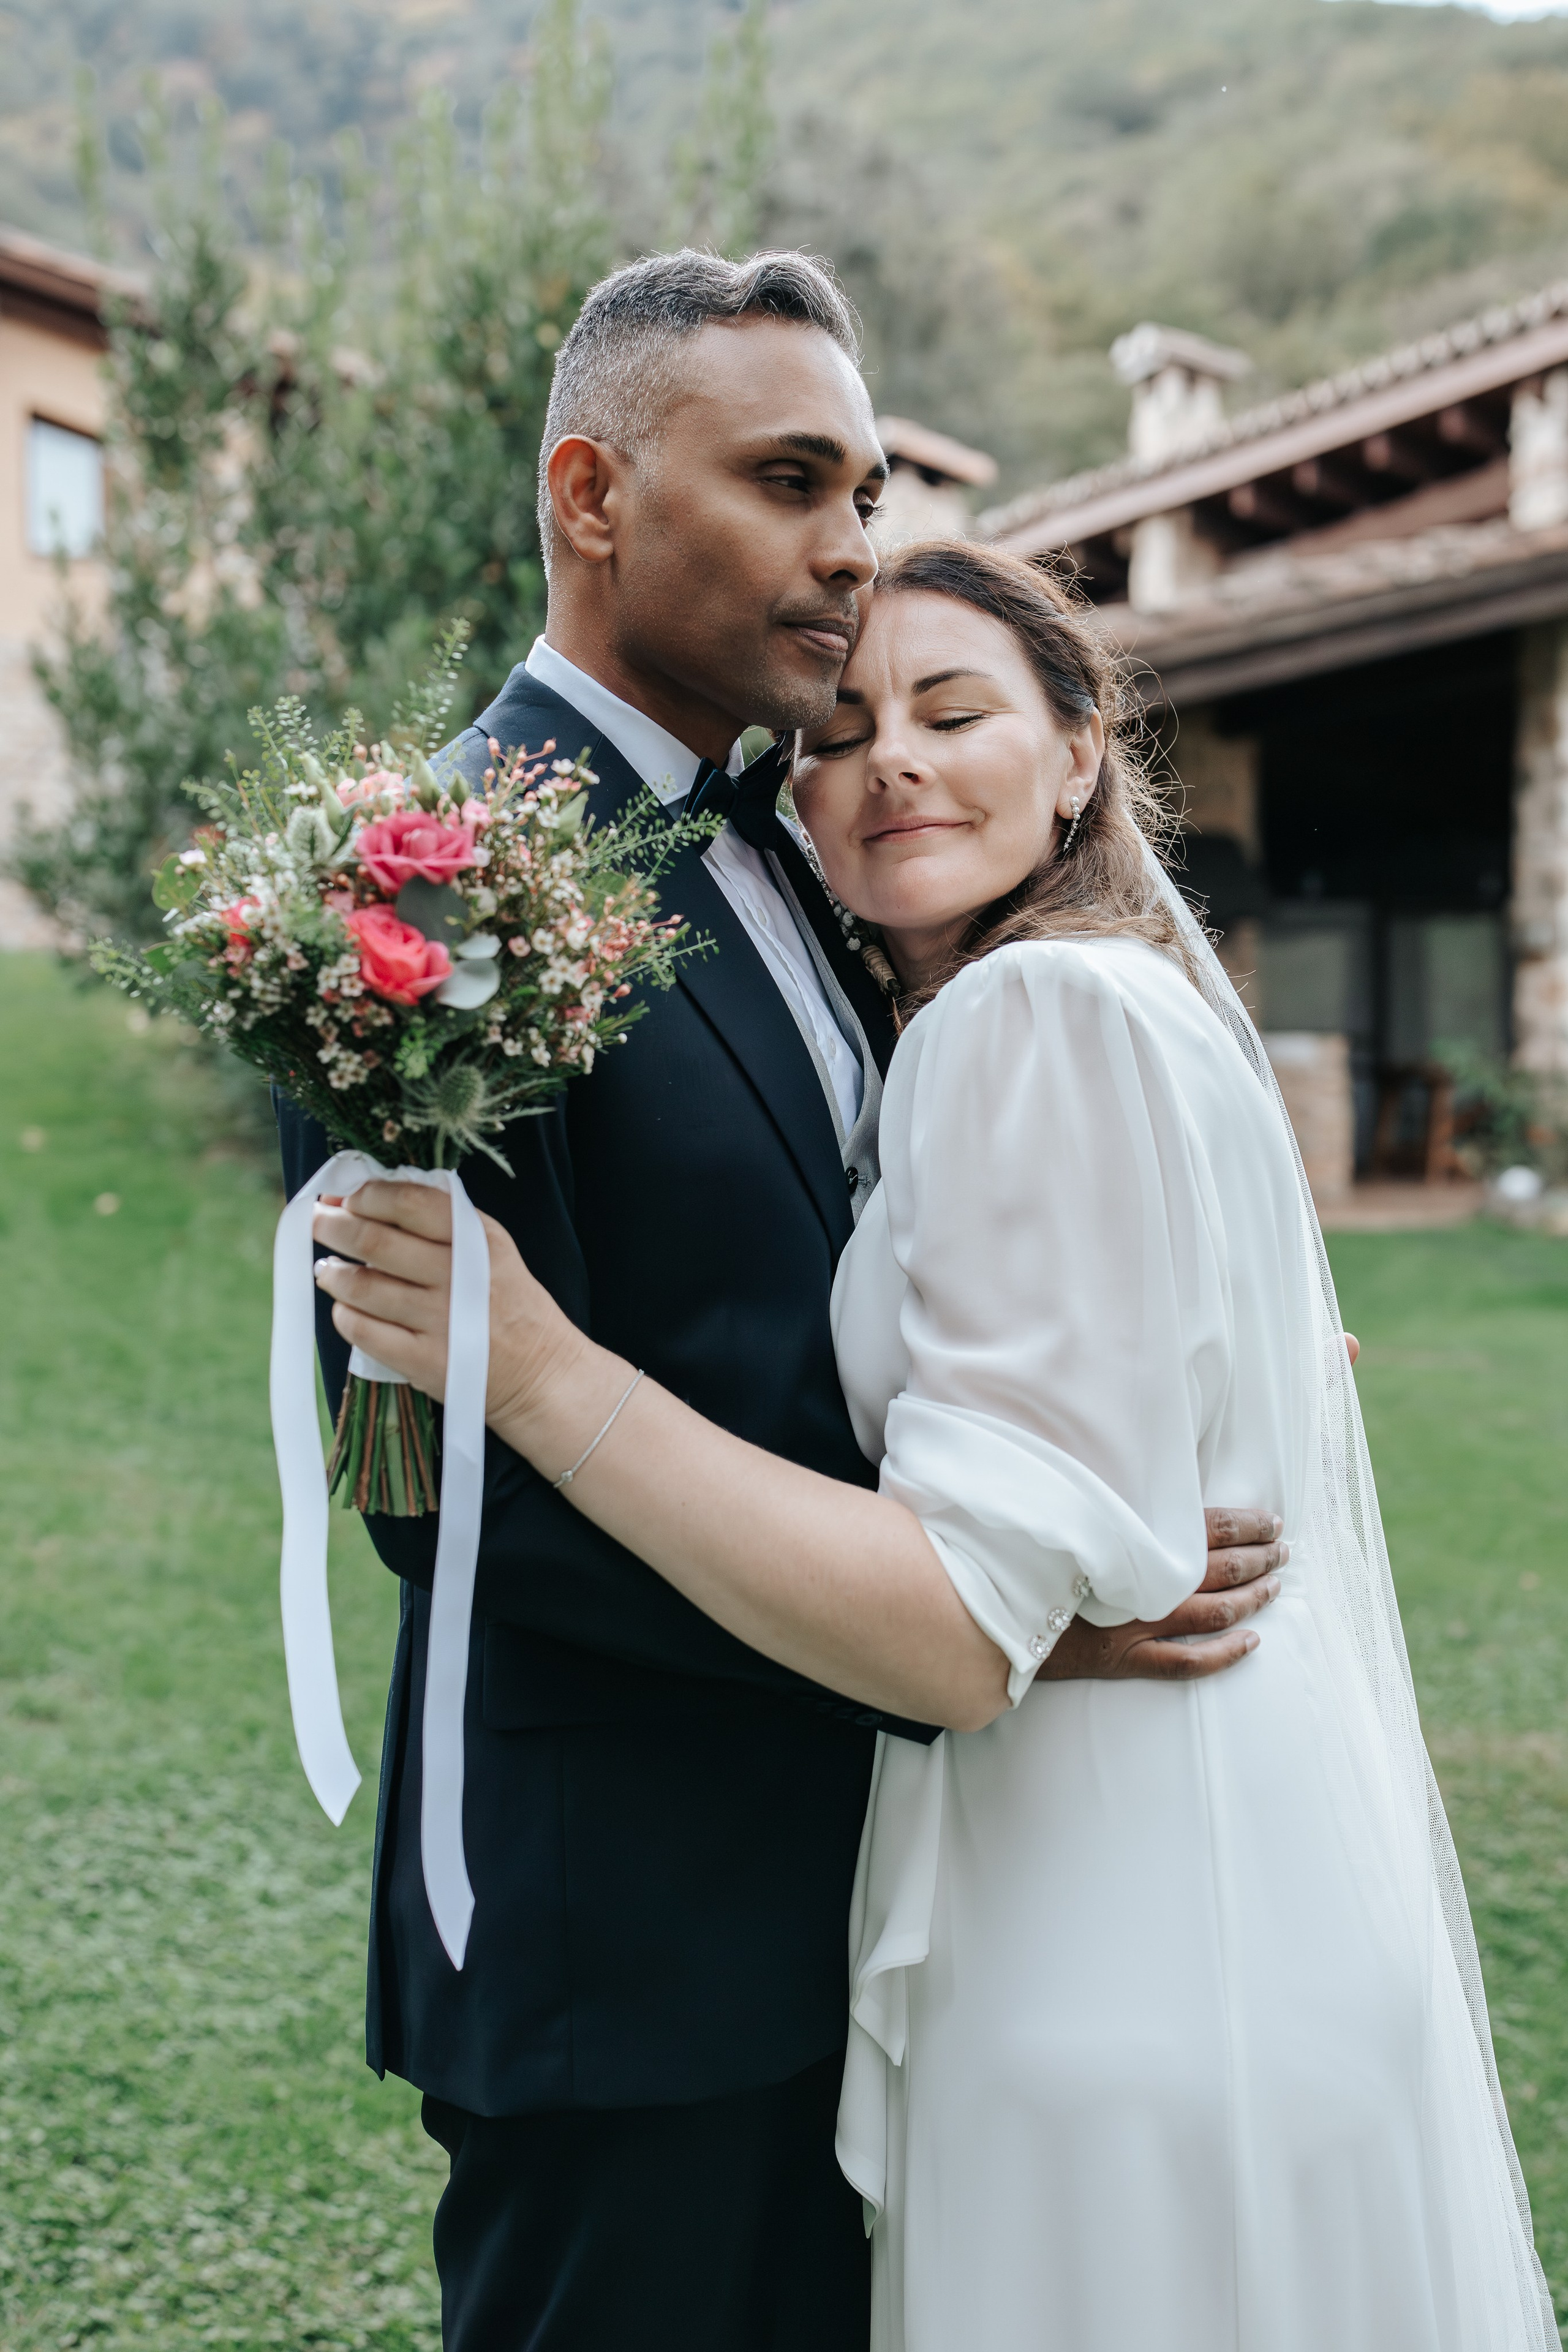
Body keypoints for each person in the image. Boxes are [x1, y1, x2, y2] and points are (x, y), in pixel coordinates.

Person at [315, 538, 1555, 2350]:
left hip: (1109, 1920)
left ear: (1079, 755)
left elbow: (968, 1625)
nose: (887, 757)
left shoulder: (1025, 1013)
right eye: (838, 734)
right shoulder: (1108, 1000)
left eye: (954, 713)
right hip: (1221, 1881)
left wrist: (540, 1373)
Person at [279, 251, 1285, 2351]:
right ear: (593, 495)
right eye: (792, 481)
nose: (851, 549)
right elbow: (435, 1495)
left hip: (905, 1907)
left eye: (868, 494)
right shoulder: (423, 890)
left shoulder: (827, 853)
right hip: (629, 1941)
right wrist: (981, 1630)